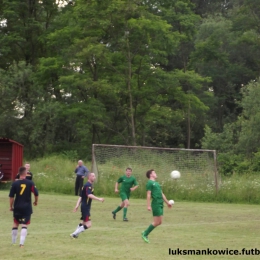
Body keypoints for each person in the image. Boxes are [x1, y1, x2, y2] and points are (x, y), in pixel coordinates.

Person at [9, 166, 39, 247]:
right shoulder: (30, 183)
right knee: (24, 224)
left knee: (15, 223)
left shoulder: (14, 184)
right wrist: (36, 201)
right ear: (25, 173)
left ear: (18, 173)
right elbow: (36, 193)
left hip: (17, 206)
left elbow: (11, 197)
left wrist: (11, 206)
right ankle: (21, 244)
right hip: (26, 207)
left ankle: (13, 242)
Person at [70, 172, 104, 238]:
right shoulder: (88, 186)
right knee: (89, 224)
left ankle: (75, 234)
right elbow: (89, 195)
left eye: (94, 176)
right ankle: (74, 234)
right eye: (93, 176)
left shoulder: (85, 185)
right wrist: (99, 199)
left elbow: (81, 197)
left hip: (84, 206)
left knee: (84, 222)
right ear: (89, 177)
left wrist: (77, 205)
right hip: (85, 207)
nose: (95, 177)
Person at [141, 169, 172, 243]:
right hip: (156, 203)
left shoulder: (157, 183)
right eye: (154, 172)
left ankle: (145, 232)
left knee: (160, 222)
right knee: (156, 222)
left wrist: (167, 203)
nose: (156, 173)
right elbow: (148, 195)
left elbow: (162, 194)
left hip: (161, 203)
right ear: (151, 175)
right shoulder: (149, 183)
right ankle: (145, 234)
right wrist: (148, 206)